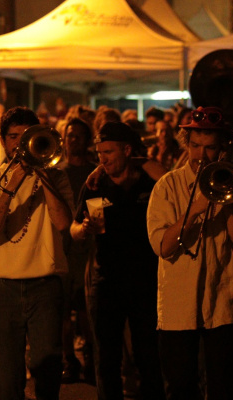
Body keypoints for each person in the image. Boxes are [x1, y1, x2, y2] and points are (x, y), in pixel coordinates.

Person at [146, 106, 233, 400]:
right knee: (181, 389)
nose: (201, 156)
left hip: (221, 304)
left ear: (222, 149)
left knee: (223, 389)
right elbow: (163, 247)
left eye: (209, 149)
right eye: (194, 146)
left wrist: (224, 196)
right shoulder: (167, 187)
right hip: (178, 307)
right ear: (186, 144)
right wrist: (195, 210)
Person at [0, 108, 73, 400]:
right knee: (6, 380)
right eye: (14, 137)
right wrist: (11, 186)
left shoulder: (57, 177)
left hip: (45, 285)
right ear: (3, 141)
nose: (19, 144)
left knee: (48, 376)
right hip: (2, 288)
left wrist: (42, 174)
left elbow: (64, 223)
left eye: (27, 137)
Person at [71, 122, 164, 400]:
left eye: (108, 152)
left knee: (148, 354)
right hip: (106, 280)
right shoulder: (95, 185)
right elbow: (74, 230)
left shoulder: (149, 181)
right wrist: (84, 229)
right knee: (107, 358)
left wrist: (142, 160)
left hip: (145, 280)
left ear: (127, 150)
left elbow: (171, 182)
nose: (102, 159)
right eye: (99, 153)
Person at [58, 117, 97, 384]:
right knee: (61, 309)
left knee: (86, 309)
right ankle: (67, 360)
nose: (73, 141)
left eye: (78, 136)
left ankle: (92, 360)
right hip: (60, 247)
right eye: (69, 136)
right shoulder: (56, 171)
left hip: (87, 249)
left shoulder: (94, 173)